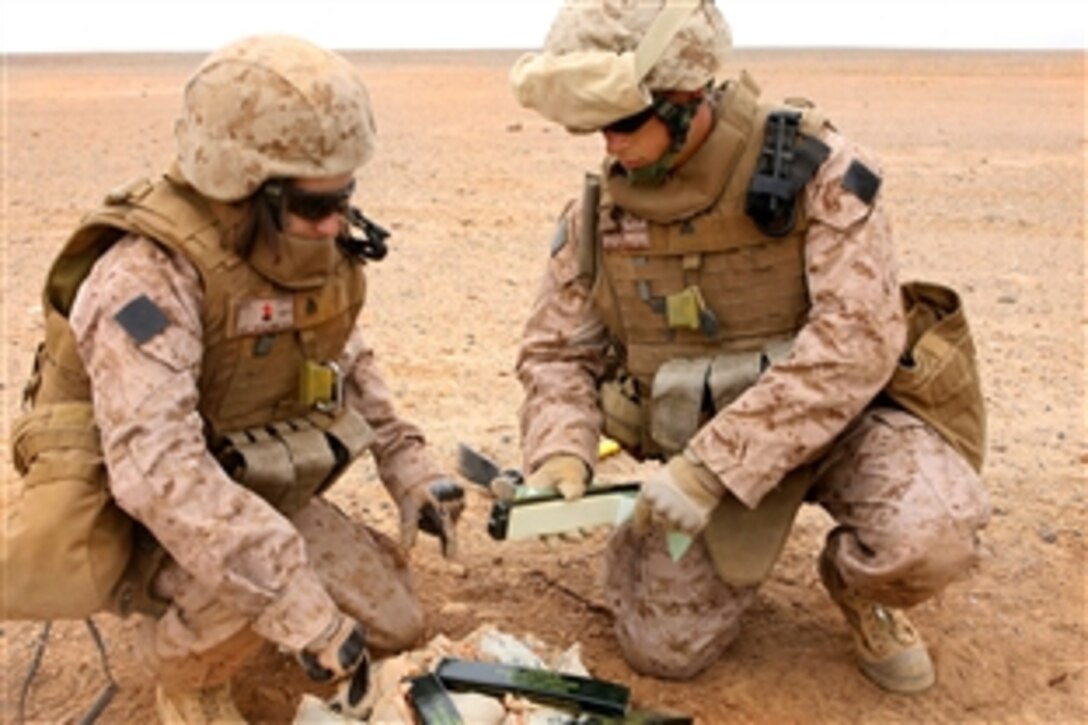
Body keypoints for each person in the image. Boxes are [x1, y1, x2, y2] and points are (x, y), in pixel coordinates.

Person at [510, 0, 990, 694]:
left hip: (838, 431)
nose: (607, 146)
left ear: (683, 99)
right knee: (664, 651)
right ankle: (651, 551)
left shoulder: (817, 171)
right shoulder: (598, 216)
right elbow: (556, 352)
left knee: (932, 532)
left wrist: (711, 468)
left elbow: (856, 341)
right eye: (592, 128)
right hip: (701, 450)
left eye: (621, 124)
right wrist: (559, 452)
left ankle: (861, 586)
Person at [7, 34, 463, 723]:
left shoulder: (299, 238)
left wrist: (412, 469)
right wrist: (298, 604)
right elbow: (159, 473)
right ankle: (186, 672)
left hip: (247, 478)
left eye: (345, 197)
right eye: (316, 206)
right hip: (146, 512)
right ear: (246, 186)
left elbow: (346, 353)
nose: (337, 222)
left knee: (394, 622)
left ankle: (262, 598)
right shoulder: (145, 280)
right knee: (256, 589)